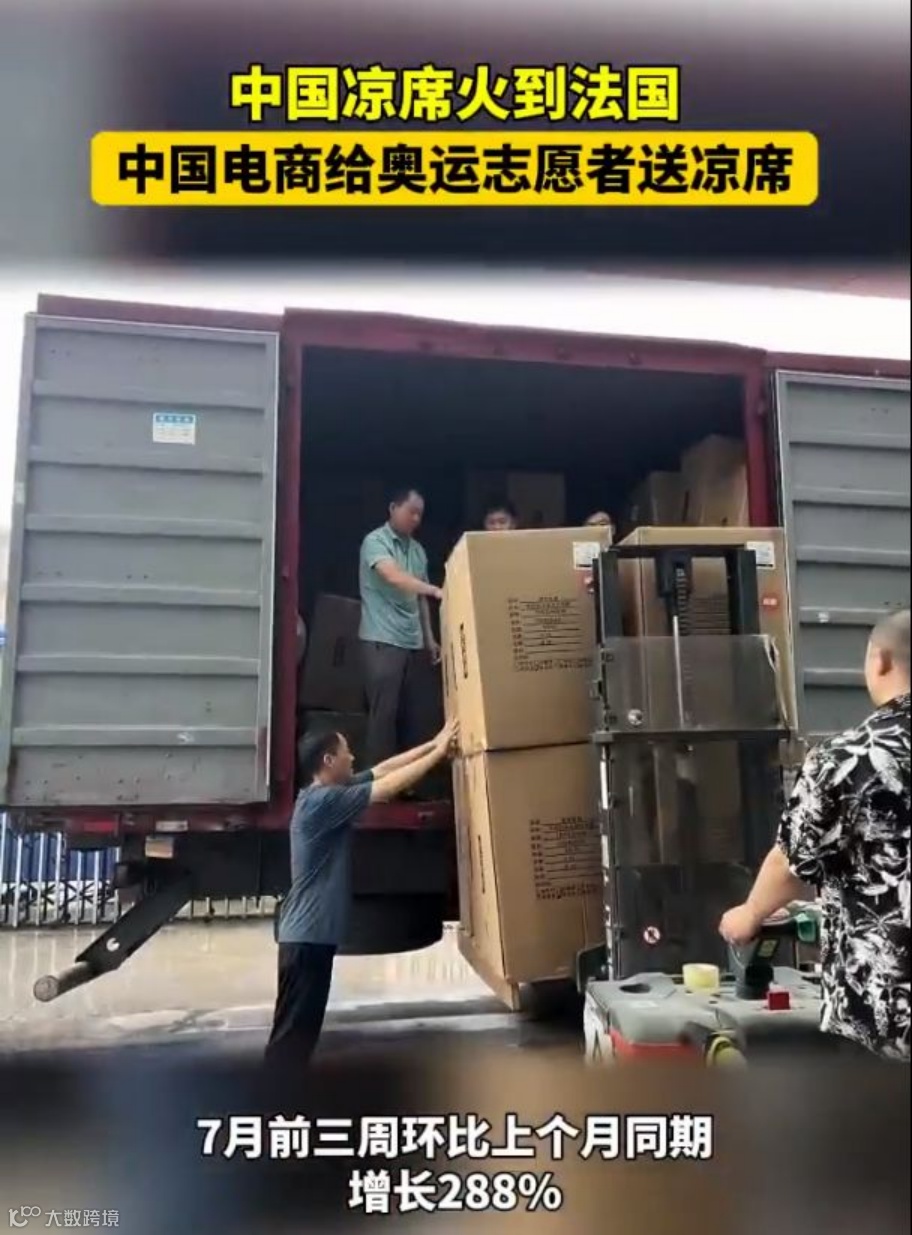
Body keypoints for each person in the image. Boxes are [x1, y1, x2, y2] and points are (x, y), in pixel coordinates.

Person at [720, 609, 911, 1061]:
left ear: (881, 661)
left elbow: (792, 862)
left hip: (885, 1015)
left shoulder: (848, 758)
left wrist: (750, 913)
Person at [265, 719, 459, 1067]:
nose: (352, 757)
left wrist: (434, 744)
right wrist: (439, 755)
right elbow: (385, 788)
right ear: (328, 761)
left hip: (311, 939)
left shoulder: (328, 793)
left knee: (299, 1036)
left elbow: (383, 770)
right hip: (306, 941)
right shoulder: (322, 802)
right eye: (346, 752)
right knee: (292, 1039)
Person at [359, 487, 443, 767]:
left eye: (420, 514)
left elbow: (419, 599)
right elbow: (393, 576)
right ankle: (379, 781)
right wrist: (434, 589)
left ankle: (407, 780)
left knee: (413, 717)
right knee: (383, 718)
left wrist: (430, 640)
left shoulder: (418, 551)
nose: (416, 519)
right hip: (382, 641)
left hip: (413, 642)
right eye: (411, 512)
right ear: (393, 508)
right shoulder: (375, 541)